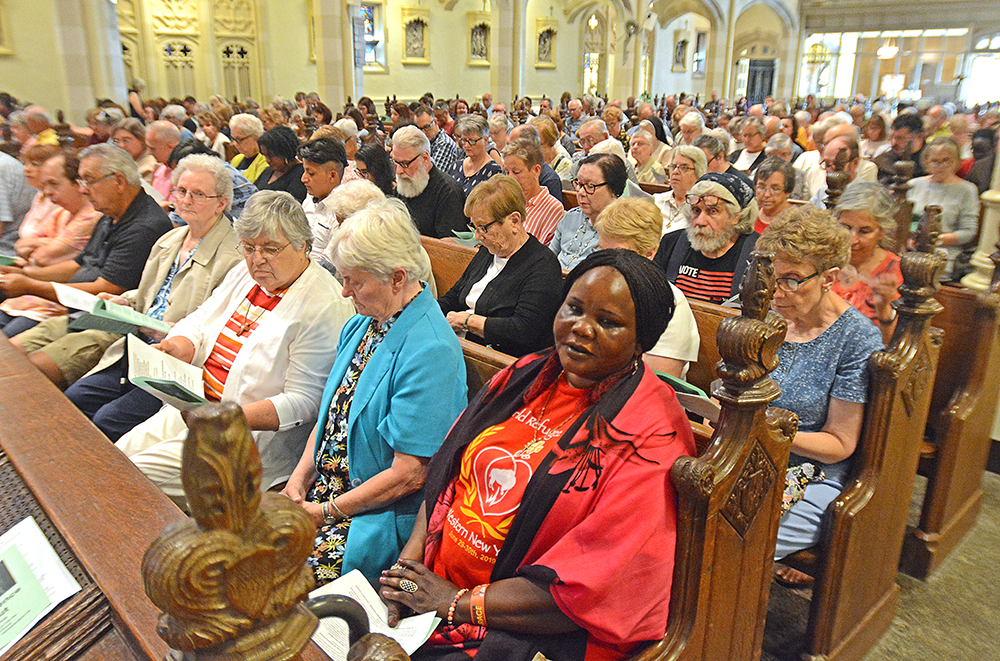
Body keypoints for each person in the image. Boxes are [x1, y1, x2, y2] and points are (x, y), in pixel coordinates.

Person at [379, 249, 696, 661]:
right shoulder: (526, 375)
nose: (581, 329)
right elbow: (448, 474)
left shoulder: (651, 431)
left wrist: (456, 602)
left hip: (531, 630)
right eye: (574, 309)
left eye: (608, 322)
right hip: (438, 596)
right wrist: (408, 575)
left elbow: (597, 582)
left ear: (642, 340)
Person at [114, 190, 356, 499]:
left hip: (240, 441)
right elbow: (201, 318)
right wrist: (181, 344)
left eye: (270, 248)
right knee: (113, 457)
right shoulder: (245, 273)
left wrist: (229, 416)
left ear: (303, 246)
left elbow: (306, 402)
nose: (257, 259)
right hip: (192, 409)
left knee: (127, 477)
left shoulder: (324, 304)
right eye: (249, 247)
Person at [281, 198, 466, 585]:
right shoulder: (363, 325)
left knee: (270, 581)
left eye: (355, 280)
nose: (345, 291)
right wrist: (297, 481)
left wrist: (326, 512)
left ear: (398, 277)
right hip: (325, 497)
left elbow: (410, 474)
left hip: (374, 517)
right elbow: (332, 415)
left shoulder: (431, 350)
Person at [36, 155, 239, 429]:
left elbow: (220, 326)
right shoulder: (170, 239)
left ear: (221, 203)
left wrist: (173, 330)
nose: (187, 200)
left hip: (177, 361)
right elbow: (147, 294)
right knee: (76, 397)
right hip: (136, 345)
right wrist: (123, 301)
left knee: (108, 418)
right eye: (181, 191)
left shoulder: (234, 256)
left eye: (199, 194)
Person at [755, 206, 883, 586]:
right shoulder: (767, 313)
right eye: (771, 278)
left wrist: (763, 428)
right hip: (749, 455)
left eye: (792, 280)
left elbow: (840, 443)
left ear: (829, 277)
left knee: (727, 537)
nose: (776, 293)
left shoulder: (855, 338)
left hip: (813, 476)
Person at [0, 144, 171, 336]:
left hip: (108, 323)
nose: (83, 190)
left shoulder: (144, 225)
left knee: (13, 354)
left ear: (119, 181)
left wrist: (31, 286)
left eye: (89, 181)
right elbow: (77, 264)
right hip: (79, 314)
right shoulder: (109, 214)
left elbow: (106, 289)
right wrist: (25, 274)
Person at [439, 176, 563, 357]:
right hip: (460, 345)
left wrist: (468, 321)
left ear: (514, 221)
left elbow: (523, 330)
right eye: (475, 227)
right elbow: (454, 296)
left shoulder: (543, 266)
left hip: (495, 359)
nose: (477, 237)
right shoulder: (488, 252)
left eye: (484, 228)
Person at [594, 197, 699, 378]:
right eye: (602, 251)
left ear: (649, 253)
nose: (606, 262)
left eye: (618, 253)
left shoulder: (670, 303)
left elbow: (658, 384)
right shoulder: (593, 287)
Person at [0, 152, 100, 335]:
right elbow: (21, 246)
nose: (47, 192)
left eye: (53, 184)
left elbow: (42, 257)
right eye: (45, 184)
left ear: (78, 184)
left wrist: (34, 259)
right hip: (26, 295)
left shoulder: (92, 216)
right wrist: (49, 244)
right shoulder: (61, 213)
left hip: (50, 303)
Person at [653, 172, 759, 305]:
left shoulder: (757, 253)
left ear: (736, 216)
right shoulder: (672, 243)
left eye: (712, 211)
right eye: (696, 210)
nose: (700, 221)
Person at [830, 181, 903, 342]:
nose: (852, 240)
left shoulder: (897, 272)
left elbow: (894, 345)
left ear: (882, 232)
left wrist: (884, 308)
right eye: (846, 227)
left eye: (864, 231)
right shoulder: (822, 260)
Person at [907, 137, 980, 281]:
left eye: (946, 160)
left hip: (943, 255)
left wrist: (933, 240)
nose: (940, 165)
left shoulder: (967, 190)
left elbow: (969, 232)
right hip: (908, 250)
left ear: (956, 162)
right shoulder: (914, 184)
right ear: (926, 162)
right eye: (935, 161)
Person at [550, 153, 626, 271]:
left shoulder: (623, 229)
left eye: (590, 186)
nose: (580, 192)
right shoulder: (571, 217)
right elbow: (549, 259)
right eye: (578, 184)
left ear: (613, 189)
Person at [392, 126, 467, 239]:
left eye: (404, 163)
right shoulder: (405, 181)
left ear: (425, 158)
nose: (398, 171)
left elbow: (449, 246)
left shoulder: (448, 191)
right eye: (395, 162)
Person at [502, 138, 564, 246]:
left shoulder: (553, 208)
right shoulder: (505, 200)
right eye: (507, 172)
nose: (510, 178)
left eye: (516, 172)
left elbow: (542, 254)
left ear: (536, 171)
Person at [299, 137, 347, 263]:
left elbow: (330, 265)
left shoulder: (343, 211)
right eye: (304, 171)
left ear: (332, 176)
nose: (303, 179)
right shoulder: (310, 197)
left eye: (311, 173)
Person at [652, 145, 707, 236]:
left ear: (699, 173)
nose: (675, 172)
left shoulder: (700, 207)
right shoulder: (656, 199)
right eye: (673, 166)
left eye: (684, 168)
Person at [447, 114, 503, 197]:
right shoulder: (456, 166)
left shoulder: (494, 171)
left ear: (485, 140)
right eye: (464, 140)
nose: (466, 145)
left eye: (472, 141)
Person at [254, 126, 307, 202]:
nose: (267, 160)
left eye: (271, 156)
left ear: (285, 152)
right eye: (265, 155)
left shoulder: (300, 175)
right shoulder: (268, 170)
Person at [874, 113, 926, 184]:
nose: (894, 143)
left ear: (919, 137)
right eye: (892, 137)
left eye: (900, 138)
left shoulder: (930, 164)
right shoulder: (882, 163)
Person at [753, 157, 796, 234]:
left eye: (775, 189)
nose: (767, 194)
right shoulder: (748, 216)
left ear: (787, 192)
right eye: (761, 187)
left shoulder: (796, 222)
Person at [416, 105, 461, 173]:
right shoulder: (424, 141)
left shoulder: (445, 143)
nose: (423, 132)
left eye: (427, 127)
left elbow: (434, 175)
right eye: (419, 129)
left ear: (436, 122)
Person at [112, 119, 158, 184]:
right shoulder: (119, 163)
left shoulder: (149, 167)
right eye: (116, 141)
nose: (121, 145)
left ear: (142, 140)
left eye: (126, 140)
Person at [229, 113, 269, 183]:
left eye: (239, 140)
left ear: (255, 138)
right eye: (233, 139)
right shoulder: (237, 159)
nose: (235, 144)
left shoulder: (265, 161)